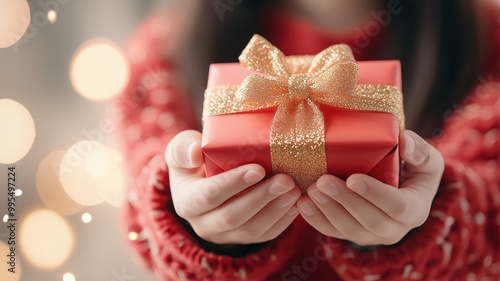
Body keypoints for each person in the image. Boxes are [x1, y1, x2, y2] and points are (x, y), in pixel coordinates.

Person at [114, 0, 500, 280]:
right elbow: (141, 213)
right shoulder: (163, 54)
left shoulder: (491, 40)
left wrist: (437, 213)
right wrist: (186, 217)